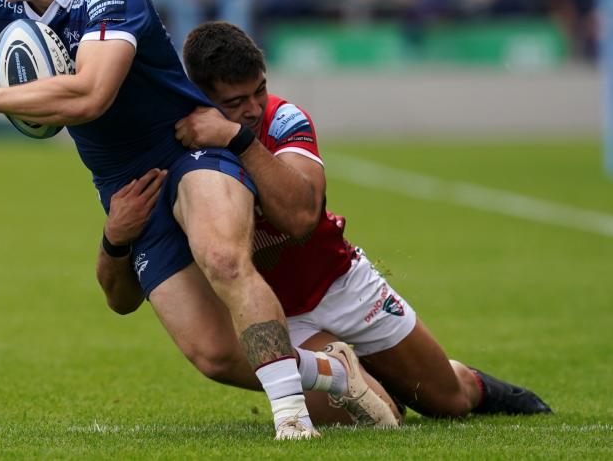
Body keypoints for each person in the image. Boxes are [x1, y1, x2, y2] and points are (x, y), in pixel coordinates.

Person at [0, 0, 316, 440]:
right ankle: (332, 372)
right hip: (125, 185)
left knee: (224, 259)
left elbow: (91, 95)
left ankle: (294, 420)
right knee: (212, 354)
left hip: (186, 148)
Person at [97, 21, 553, 421]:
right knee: (385, 414)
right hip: (277, 320)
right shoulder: (169, 155)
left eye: (259, 90)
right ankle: (370, 380)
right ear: (199, 98)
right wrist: (115, 240)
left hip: (340, 284)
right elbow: (121, 301)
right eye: (235, 101)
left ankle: (475, 383)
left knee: (447, 401)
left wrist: (236, 138)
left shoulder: (282, 120)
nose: (254, 108)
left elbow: (300, 218)